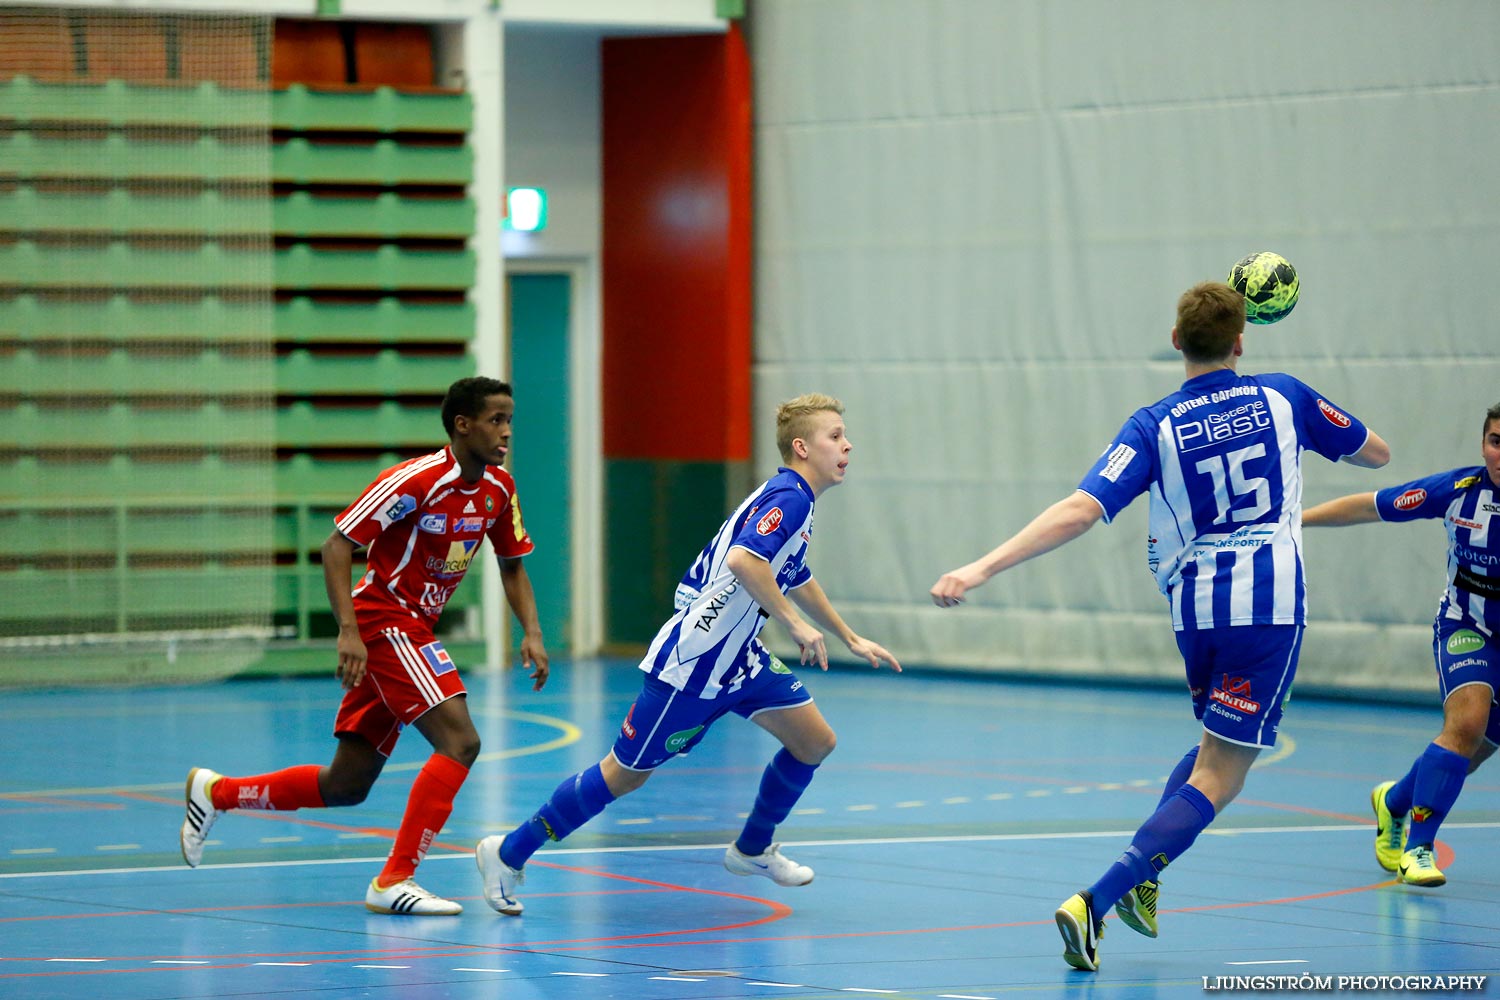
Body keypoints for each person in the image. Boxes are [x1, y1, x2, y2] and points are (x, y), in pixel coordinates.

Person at [929, 281, 1390, 972]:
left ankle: (1145, 876)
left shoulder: (1153, 425)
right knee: (1221, 777)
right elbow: (1376, 454)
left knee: (1211, 751)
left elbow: (1082, 508)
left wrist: (982, 567)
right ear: (1241, 340)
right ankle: (1098, 898)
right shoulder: (1286, 395)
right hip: (1268, 606)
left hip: (1195, 610)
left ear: (1176, 342)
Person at [474, 393, 901, 915]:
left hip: (741, 659)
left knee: (814, 741)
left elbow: (795, 573)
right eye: (835, 436)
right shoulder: (788, 498)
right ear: (802, 447)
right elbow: (747, 561)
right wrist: (793, 624)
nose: (847, 444)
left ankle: (752, 848)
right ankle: (508, 852)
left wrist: (847, 634)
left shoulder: (799, 501)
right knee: (624, 774)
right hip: (694, 665)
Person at [179, 376, 550, 916]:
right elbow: (337, 545)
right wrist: (349, 630)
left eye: (510, 420)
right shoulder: (416, 480)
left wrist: (532, 632)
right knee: (460, 741)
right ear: (462, 425)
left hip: (413, 627)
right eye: (496, 420)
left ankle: (216, 793)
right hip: (385, 620)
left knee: (346, 784)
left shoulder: (499, 490)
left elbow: (512, 565)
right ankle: (394, 879)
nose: (506, 432)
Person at [1302, 402, 1500, 888]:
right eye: (1496, 441)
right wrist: (1294, 522)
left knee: (1477, 746)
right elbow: (1370, 505)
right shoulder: (1458, 491)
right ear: (1483, 444)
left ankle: (1393, 802)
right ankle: (1419, 849)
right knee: (1468, 724)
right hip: (1465, 624)